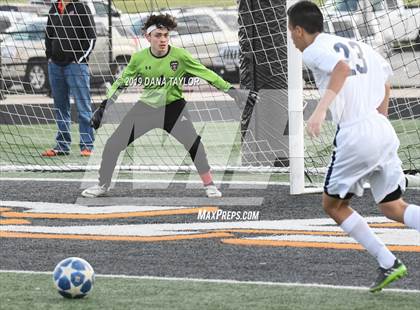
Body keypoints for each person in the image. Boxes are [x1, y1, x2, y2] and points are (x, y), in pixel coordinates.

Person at [287, 1, 420, 292]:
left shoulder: (314, 50)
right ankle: (388, 264)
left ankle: (388, 262)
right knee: (392, 206)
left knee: (332, 205)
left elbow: (341, 69)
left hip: (356, 133)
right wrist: (379, 120)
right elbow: (386, 83)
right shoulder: (356, 44)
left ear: (298, 30)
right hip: (380, 129)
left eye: (290, 31)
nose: (291, 38)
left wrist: (320, 111)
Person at [81, 14, 257, 198]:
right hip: (146, 108)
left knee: (194, 144)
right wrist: (104, 107)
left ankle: (209, 185)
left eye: (166, 35)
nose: (163, 39)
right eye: (158, 35)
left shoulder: (180, 56)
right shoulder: (138, 59)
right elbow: (121, 84)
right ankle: (102, 185)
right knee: (113, 144)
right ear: (148, 37)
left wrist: (232, 91)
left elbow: (206, 73)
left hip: (173, 108)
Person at [42, 0, 96, 157]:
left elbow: (91, 37)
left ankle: (87, 146)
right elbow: (48, 35)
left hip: (76, 66)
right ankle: (62, 145)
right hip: (55, 66)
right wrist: (49, 57)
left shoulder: (82, 8)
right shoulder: (54, 9)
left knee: (83, 107)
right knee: (60, 107)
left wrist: (79, 60)